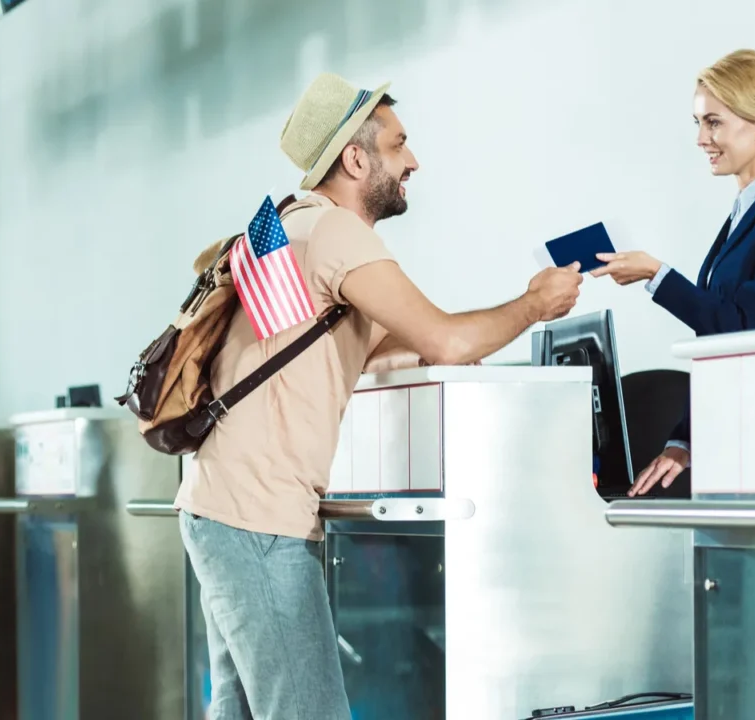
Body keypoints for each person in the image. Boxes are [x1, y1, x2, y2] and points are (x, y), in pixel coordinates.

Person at [174, 72, 584, 720]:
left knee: (244, 712)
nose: (413, 160)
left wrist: (446, 341)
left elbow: (384, 344)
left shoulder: (293, 227)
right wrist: (535, 304)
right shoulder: (337, 235)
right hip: (259, 517)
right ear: (355, 158)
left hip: (224, 506)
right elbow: (447, 339)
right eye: (398, 144)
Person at [590, 49, 755, 497]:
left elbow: (747, 331)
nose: (702, 138)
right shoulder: (745, 214)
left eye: (714, 122)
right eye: (699, 123)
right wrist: (684, 440)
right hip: (731, 435)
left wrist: (657, 274)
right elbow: (716, 349)